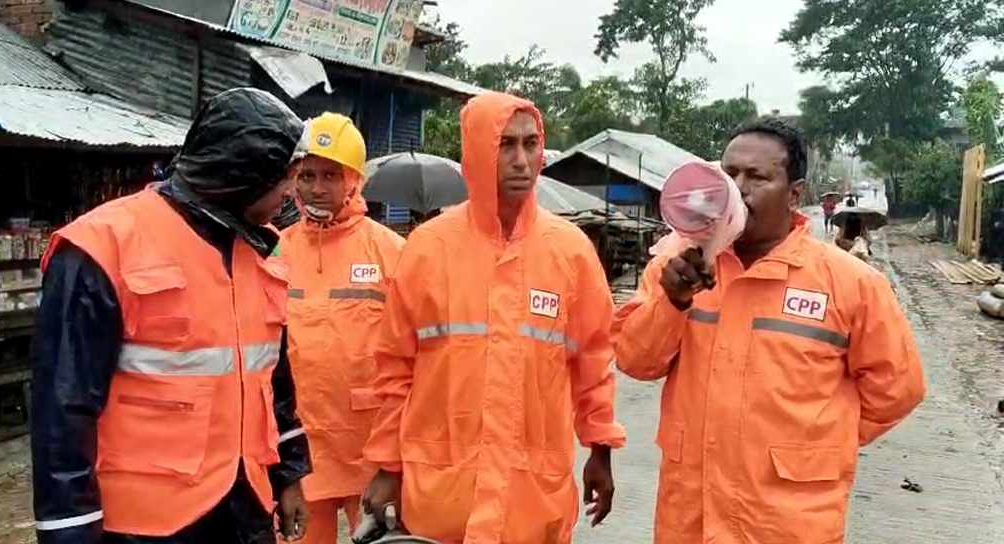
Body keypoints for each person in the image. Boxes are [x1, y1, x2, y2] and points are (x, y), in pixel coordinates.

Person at [612, 116, 925, 544]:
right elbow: (634, 361)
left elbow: (897, 390)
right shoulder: (677, 266)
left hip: (788, 524)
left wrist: (813, 446)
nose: (737, 188)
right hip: (690, 518)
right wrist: (674, 302)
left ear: (794, 194)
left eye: (757, 176)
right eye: (729, 173)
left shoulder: (851, 283)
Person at [31, 88, 312, 544]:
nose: (291, 193)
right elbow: (63, 411)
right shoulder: (101, 248)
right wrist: (69, 532)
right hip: (145, 523)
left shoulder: (261, 250)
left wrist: (290, 473)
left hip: (244, 507)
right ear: (243, 176)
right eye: (288, 178)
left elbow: (272, 378)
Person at [360, 91, 626, 543]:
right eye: (505, 145)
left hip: (531, 495)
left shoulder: (570, 251)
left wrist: (600, 447)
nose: (522, 160)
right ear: (477, 151)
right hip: (444, 494)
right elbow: (395, 369)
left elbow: (593, 360)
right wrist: (387, 465)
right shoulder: (428, 248)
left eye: (530, 143)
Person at [278, 113, 405, 544]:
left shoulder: (392, 252)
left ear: (354, 180)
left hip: (369, 453)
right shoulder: (274, 251)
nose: (316, 187)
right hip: (298, 452)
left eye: (331, 175)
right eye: (307, 174)